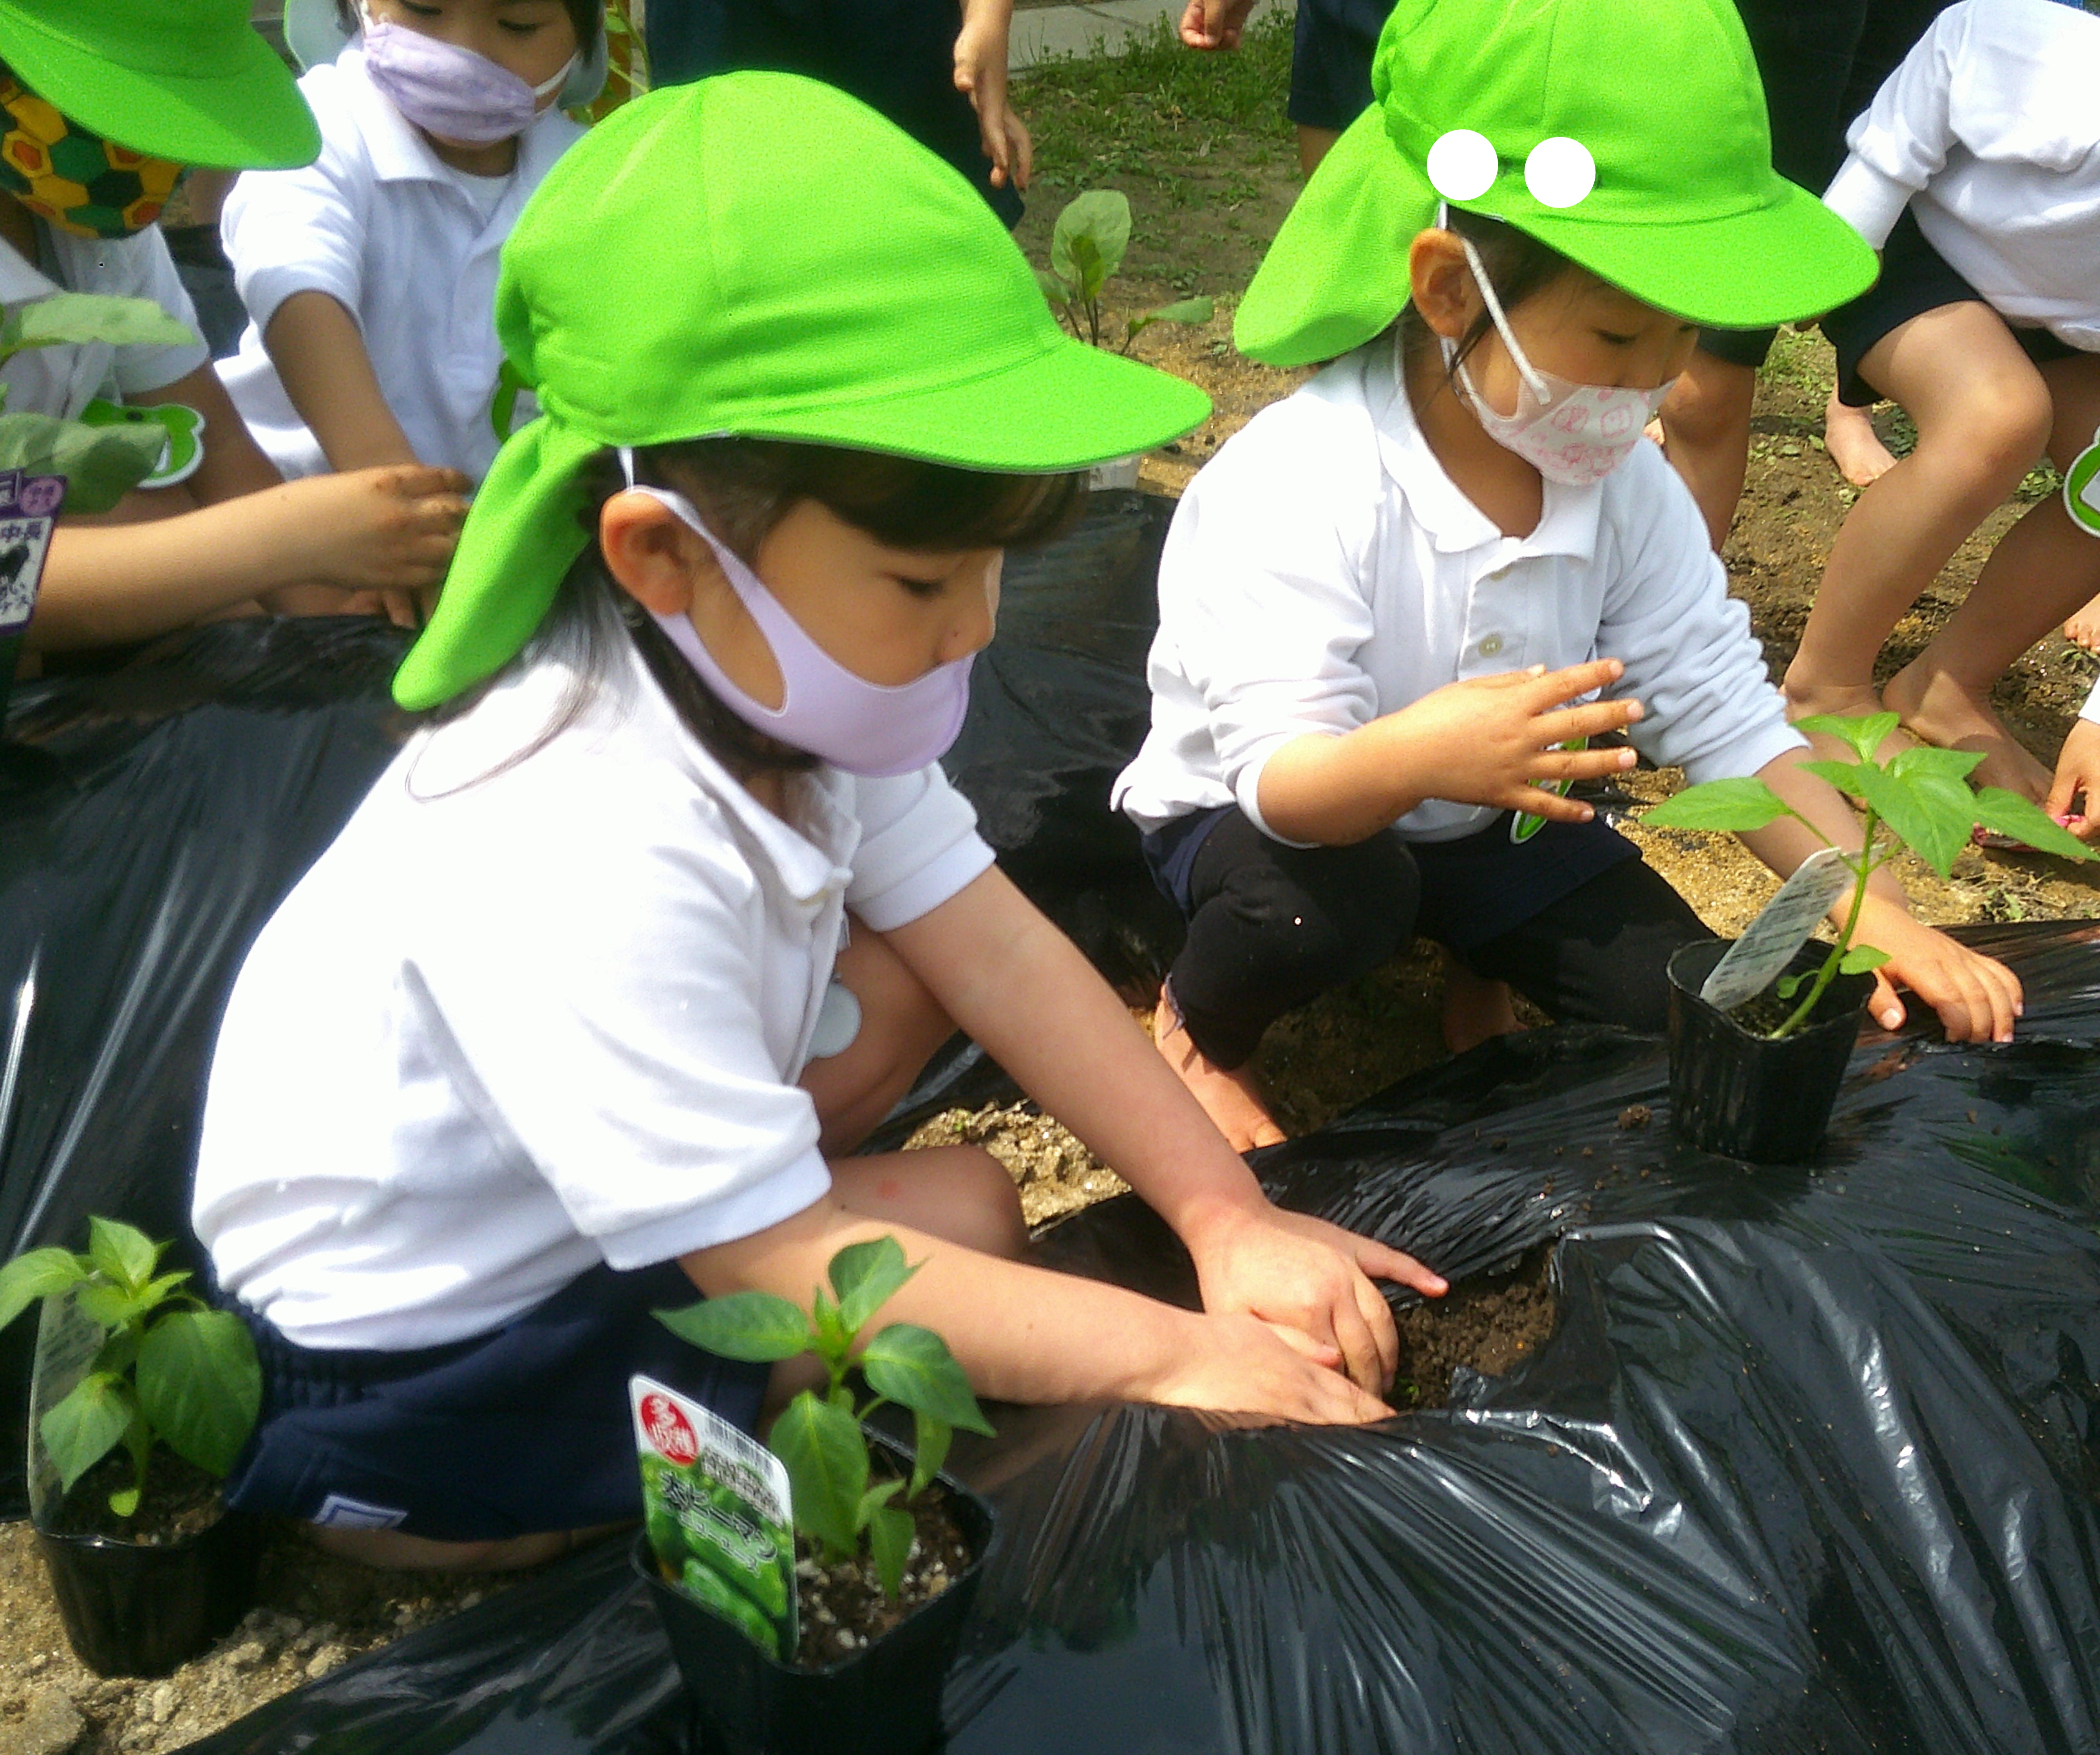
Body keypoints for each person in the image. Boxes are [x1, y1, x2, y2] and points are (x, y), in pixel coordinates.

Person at [192, 72, 1447, 1571]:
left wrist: (1222, 1215)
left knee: (972, 1196)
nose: (973, 630)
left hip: (565, 1221)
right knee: (896, 1302)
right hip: (412, 1354)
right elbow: (782, 1265)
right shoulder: (576, 830)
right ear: (663, 552)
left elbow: (990, 942)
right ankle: (427, 1528)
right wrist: (1171, 1354)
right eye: (922, 586)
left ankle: (702, 1227)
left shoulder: (762, 675)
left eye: (989, 571)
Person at [1115, 0, 2024, 1153]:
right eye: (1614, 339)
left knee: (1678, 999)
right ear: (1450, 291)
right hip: (1287, 822)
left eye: (1682, 341)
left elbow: (1723, 711)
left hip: (1497, 814)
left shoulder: (1612, 483)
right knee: (1327, 905)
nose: (1654, 382)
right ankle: (1201, 1029)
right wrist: (1428, 752)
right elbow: (1279, 783)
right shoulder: (1304, 482)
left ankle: (1475, 960)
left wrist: (1871, 912)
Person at [0, 0, 468, 656]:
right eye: (123, 115)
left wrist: (328, 630)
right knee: (127, 509)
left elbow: (214, 441)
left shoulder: (96, 228)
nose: (156, 161)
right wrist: (286, 538)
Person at [1798, 0, 2100, 800]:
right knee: (1995, 416)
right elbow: (1958, 39)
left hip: (2064, 317)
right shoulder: (2072, 81)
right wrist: (1850, 229)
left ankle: (1944, 683)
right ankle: (1822, 690)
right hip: (1920, 237)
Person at [217, 1, 594, 496]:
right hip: (295, 501)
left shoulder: (588, 172)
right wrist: (394, 488)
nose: (462, 54)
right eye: (423, 9)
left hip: (490, 530)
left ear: (585, 43)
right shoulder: (314, 130)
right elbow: (293, 282)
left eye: (517, 25)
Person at [642, 0, 1029, 225]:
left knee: (937, 230)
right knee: (731, 228)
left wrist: (988, 14)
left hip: (893, 29)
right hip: (720, 21)